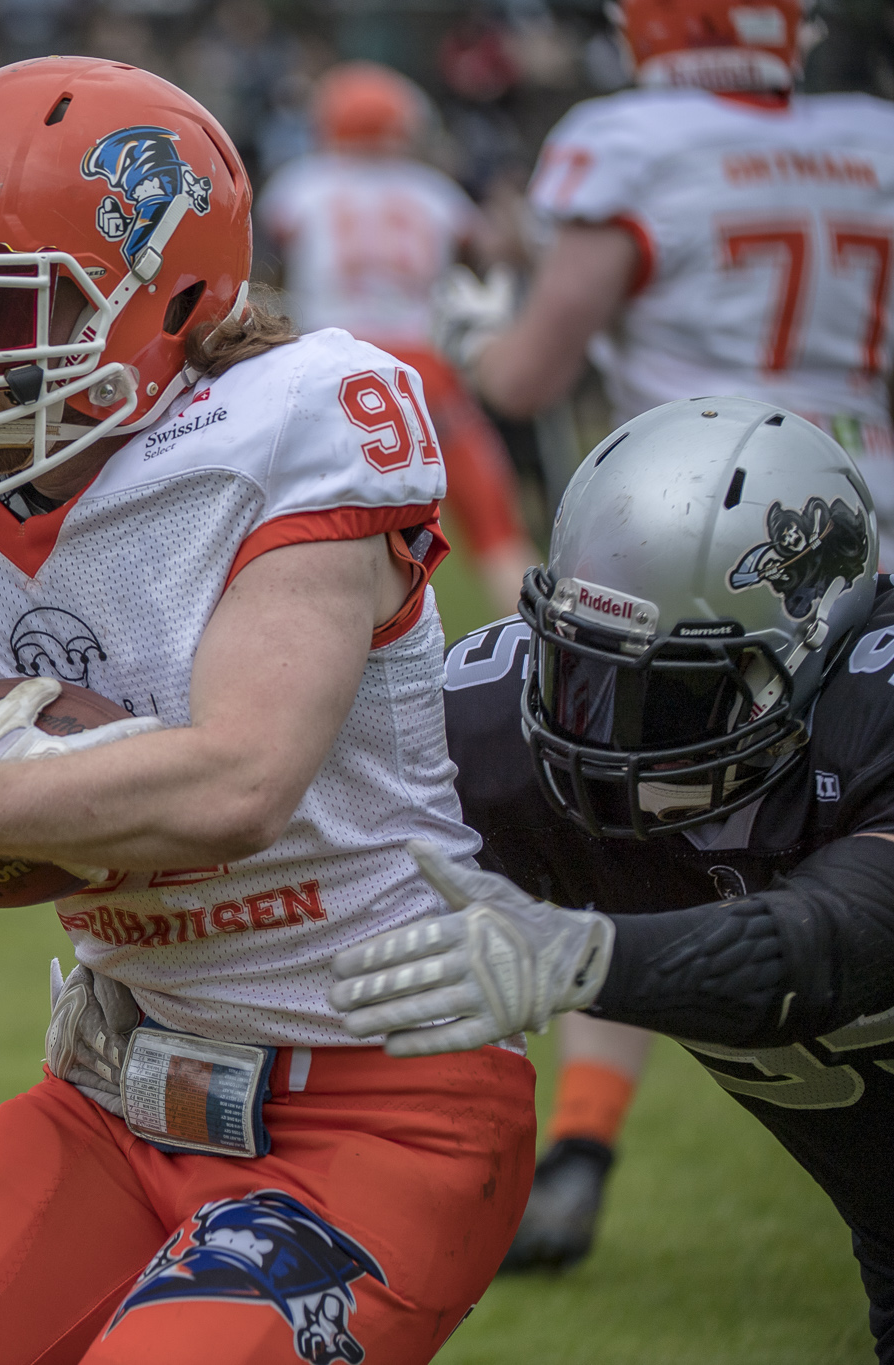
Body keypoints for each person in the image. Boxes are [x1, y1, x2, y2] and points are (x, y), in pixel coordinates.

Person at [0, 57, 535, 1365]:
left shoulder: (297, 419)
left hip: (381, 1104)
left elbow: (237, 783)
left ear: (167, 294)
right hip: (108, 1103)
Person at [429, 0, 894, 1270]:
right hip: (863, 537)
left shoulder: (631, 138)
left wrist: (480, 330)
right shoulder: (869, 138)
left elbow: (525, 373)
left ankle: (578, 1158)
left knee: (626, 823)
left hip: (683, 559)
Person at [330, 397, 894, 1357]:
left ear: (816, 654)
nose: (600, 742)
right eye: (581, 676)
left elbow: (828, 943)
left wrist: (584, 957)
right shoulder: (498, 725)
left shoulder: (872, 719)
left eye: (668, 696)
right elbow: (288, 815)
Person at [259, 60, 536, 613]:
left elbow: (271, 258)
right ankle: (540, 652)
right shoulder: (434, 191)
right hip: (421, 367)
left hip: (328, 369)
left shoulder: (302, 185)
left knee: (311, 532)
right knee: (495, 529)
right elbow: (497, 251)